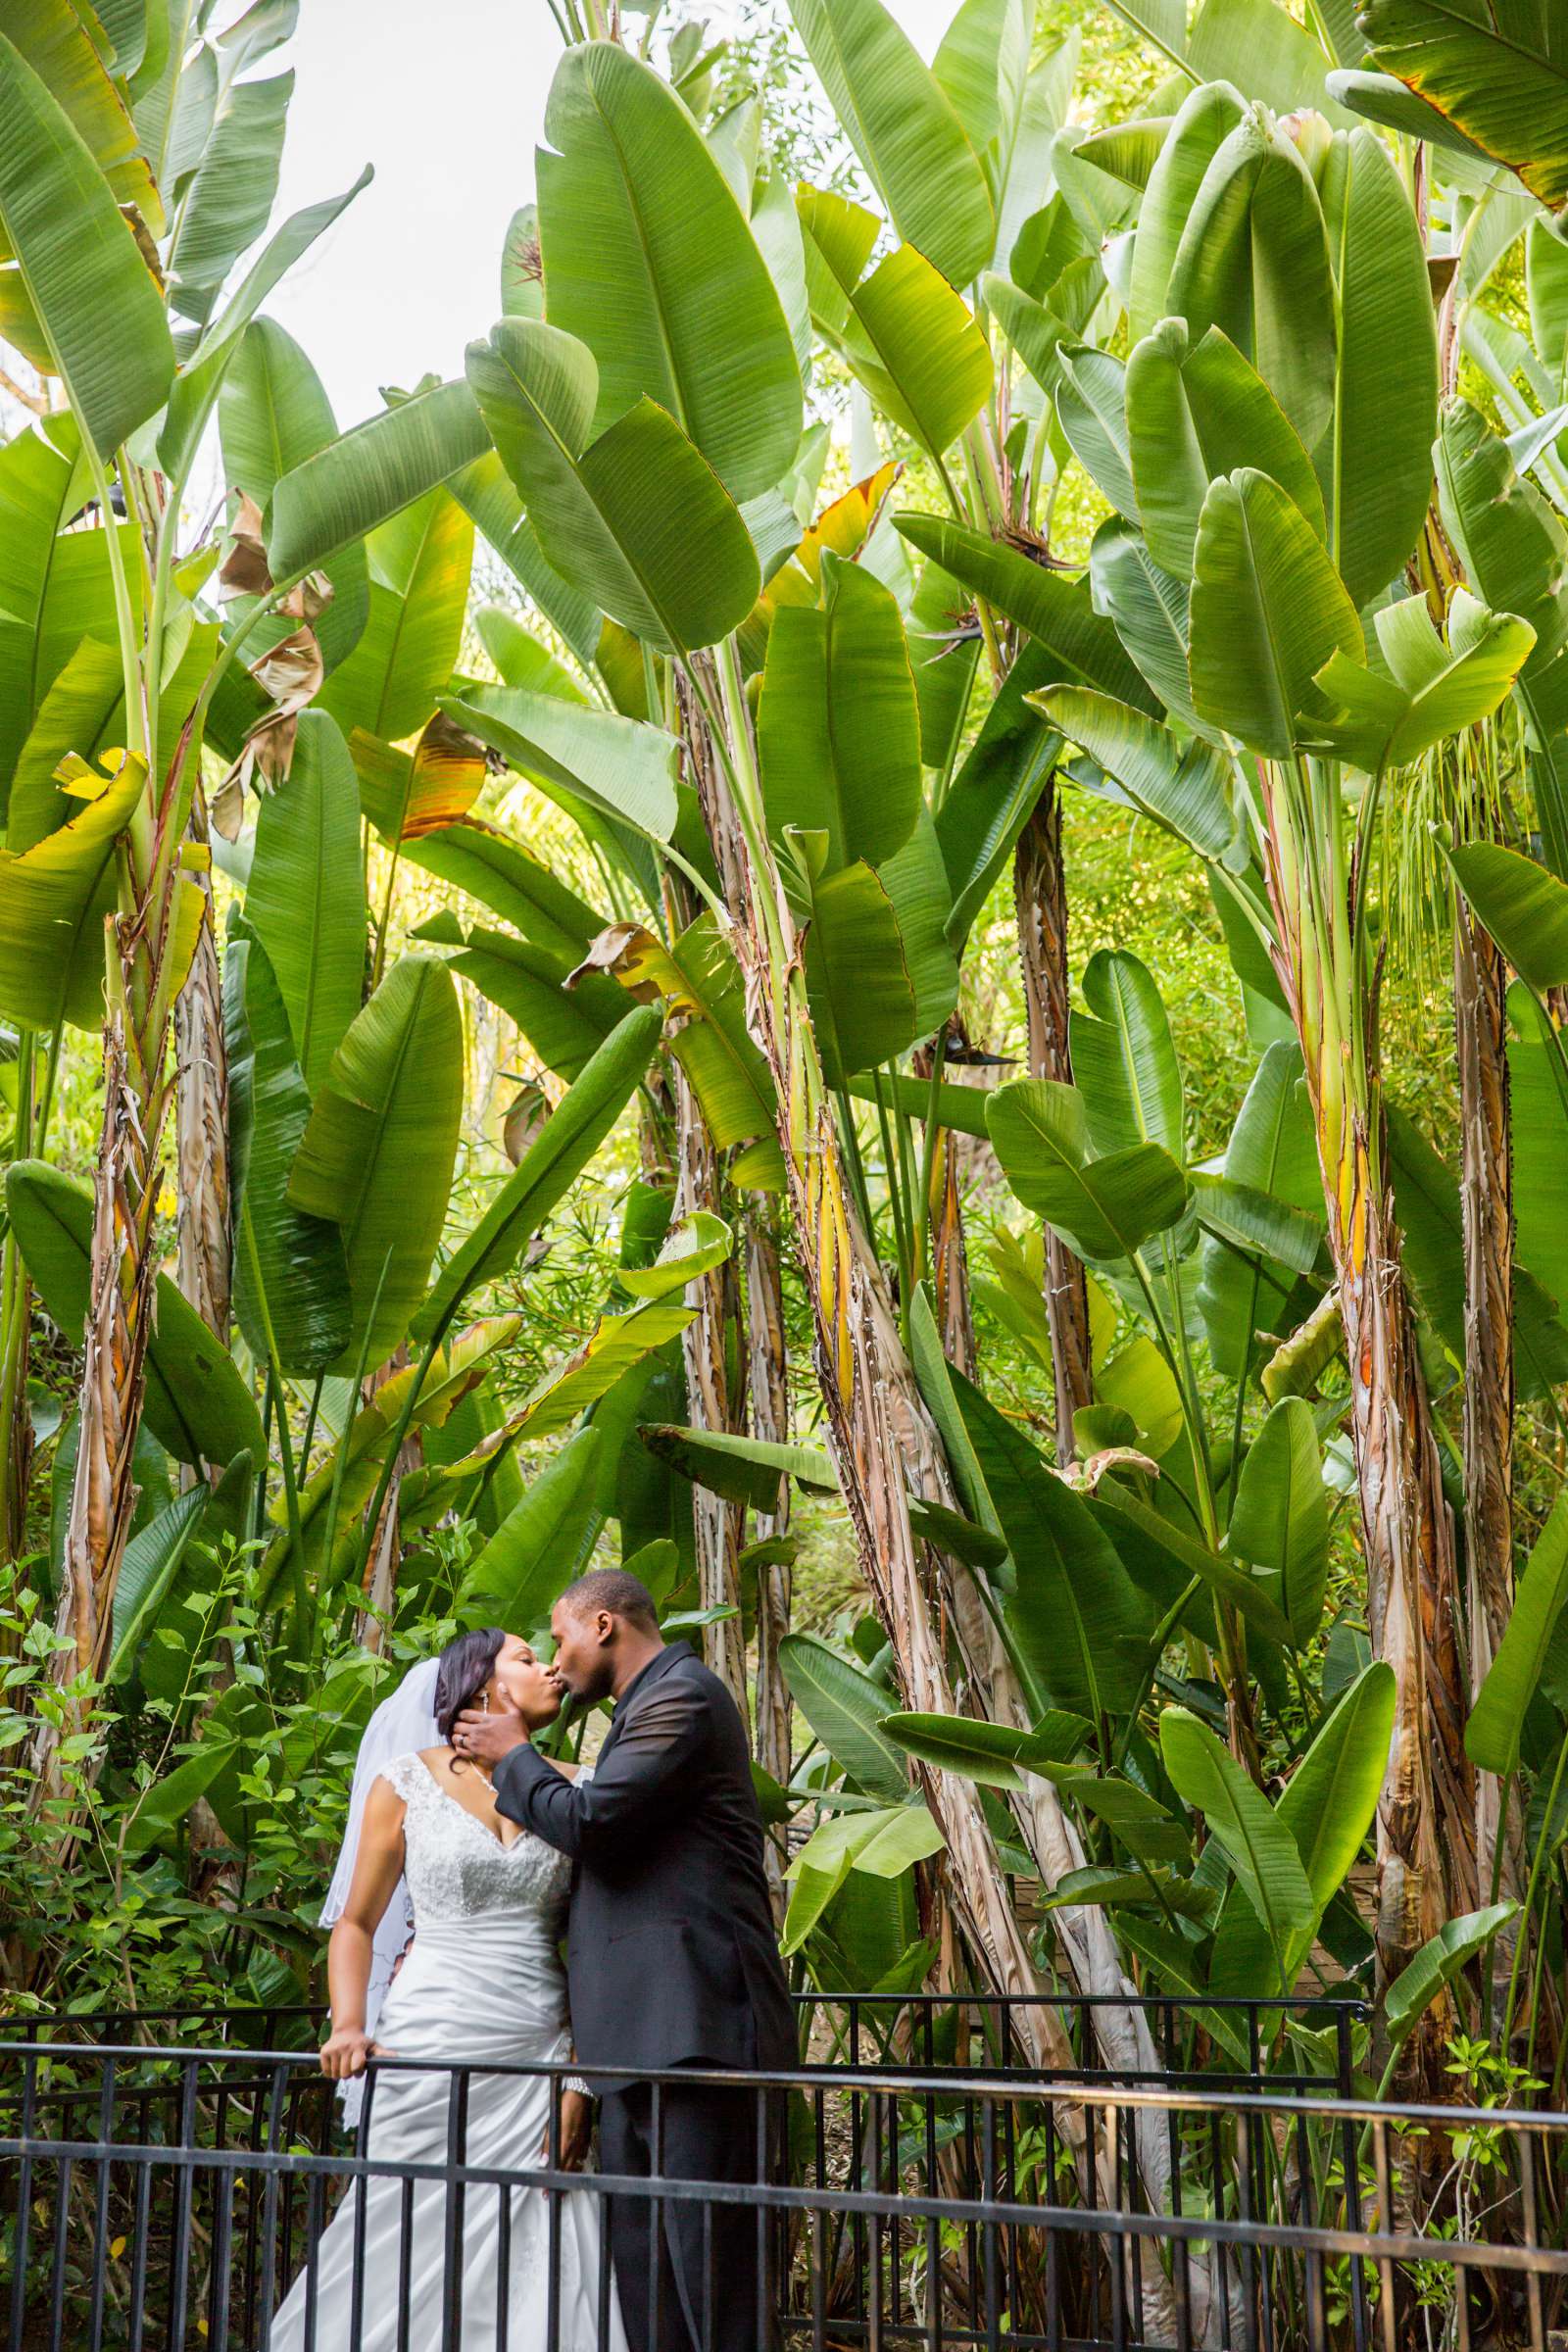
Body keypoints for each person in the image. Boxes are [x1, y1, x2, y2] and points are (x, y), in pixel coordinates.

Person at [454, 1568, 796, 2352]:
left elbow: (595, 1823)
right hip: (638, 2045)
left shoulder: (682, 1696)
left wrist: (511, 1755)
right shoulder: (638, 1711)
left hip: (697, 2034)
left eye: (562, 1635)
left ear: (603, 1625)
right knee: (648, 2288)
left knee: (712, 2281)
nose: (556, 1656)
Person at [270, 1630, 624, 2352]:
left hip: (538, 2049)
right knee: (402, 2223)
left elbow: (601, 1947)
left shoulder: (579, 1789)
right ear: (481, 1686)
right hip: (429, 2038)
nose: (552, 1666)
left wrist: (580, 2077)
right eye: (527, 1658)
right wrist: (347, 2024)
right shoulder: (406, 1783)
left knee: (545, 2235)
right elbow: (357, 1923)